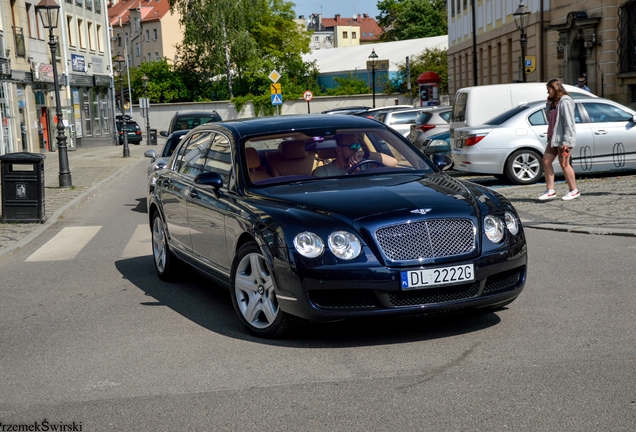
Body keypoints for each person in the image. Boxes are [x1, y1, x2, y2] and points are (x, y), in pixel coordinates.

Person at [539, 79, 579, 201]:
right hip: (554, 137)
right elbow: (549, 119)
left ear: (555, 89)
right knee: (546, 161)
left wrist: (567, 141)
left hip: (563, 139)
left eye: (549, 90)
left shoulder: (565, 102)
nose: (548, 93)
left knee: (564, 164)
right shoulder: (555, 103)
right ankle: (550, 190)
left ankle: (574, 190)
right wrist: (548, 104)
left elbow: (569, 122)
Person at [312, 133, 396, 177]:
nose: (356, 149)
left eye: (358, 145)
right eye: (352, 146)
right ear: (338, 149)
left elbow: (393, 163)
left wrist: (365, 153)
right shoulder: (324, 172)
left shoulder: (365, 164)